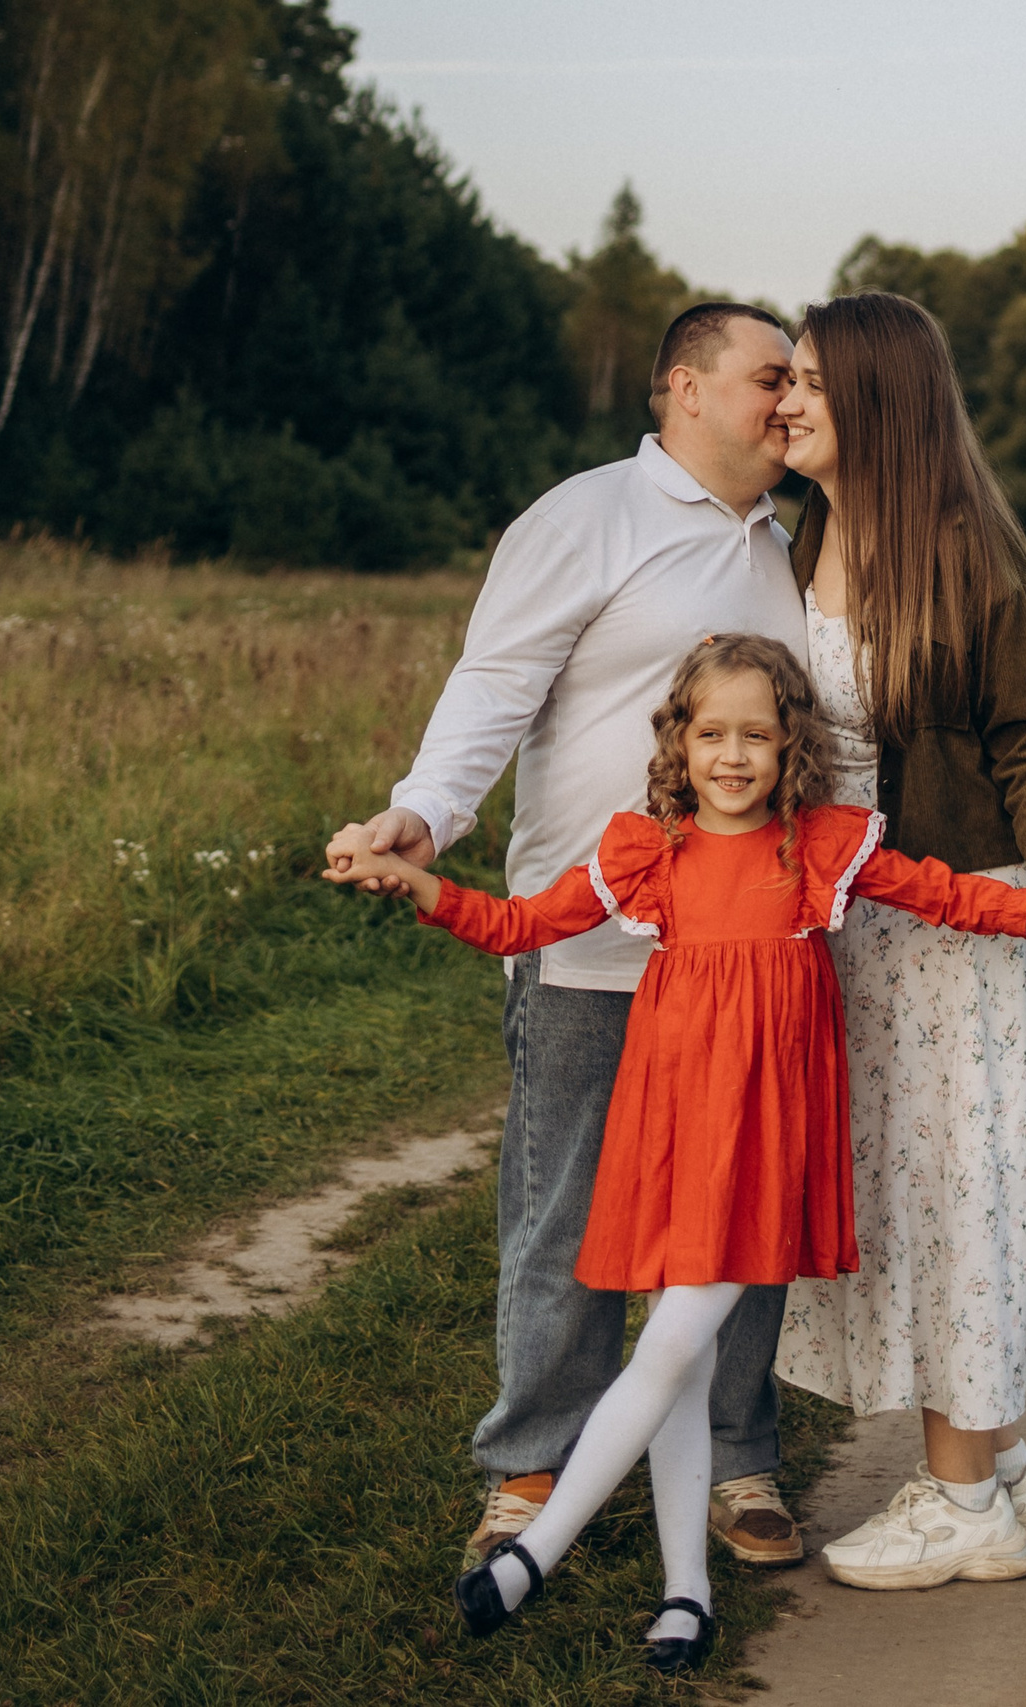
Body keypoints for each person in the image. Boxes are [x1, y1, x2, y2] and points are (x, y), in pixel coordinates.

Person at [325, 636, 1026, 1666]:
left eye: (756, 735)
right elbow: (521, 925)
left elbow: (951, 895)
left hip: (763, 1136)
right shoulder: (646, 850)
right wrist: (416, 885)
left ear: (789, 746)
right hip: (673, 1126)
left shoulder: (819, 847)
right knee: (688, 1346)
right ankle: (686, 1594)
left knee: (674, 1342)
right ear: (680, 741)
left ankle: (538, 1549)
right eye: (710, 733)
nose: (732, 755)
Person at [328, 304, 816, 1577]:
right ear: (683, 388)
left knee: (741, 1210)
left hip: (751, 956)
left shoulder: (792, 541)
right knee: (568, 1211)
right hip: (591, 945)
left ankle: (738, 1456)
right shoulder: (584, 515)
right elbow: (494, 683)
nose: (789, 399)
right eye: (770, 376)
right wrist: (428, 815)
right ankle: (530, 1468)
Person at [768, 291, 1026, 1589]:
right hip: (850, 925)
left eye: (813, 379)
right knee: (911, 1195)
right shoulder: (795, 536)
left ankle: (961, 1495)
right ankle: (999, 1454)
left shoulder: (967, 556)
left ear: (879, 398)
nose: (790, 399)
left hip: (958, 922)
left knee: (959, 1193)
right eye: (787, 379)